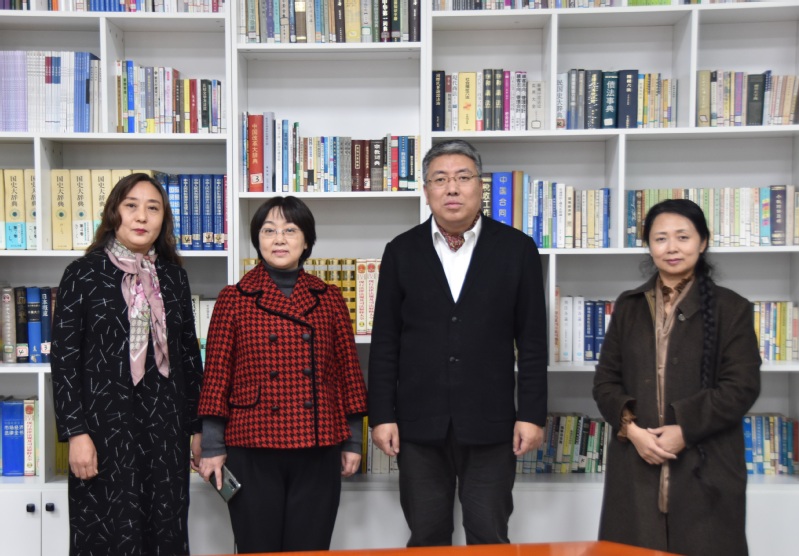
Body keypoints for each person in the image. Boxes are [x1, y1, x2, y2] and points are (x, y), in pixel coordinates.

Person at [367, 139, 548, 546]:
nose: (452, 188)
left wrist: (532, 415)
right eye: (440, 179)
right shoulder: (401, 251)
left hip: (492, 421)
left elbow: (533, 342)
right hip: (418, 423)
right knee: (426, 534)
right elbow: (385, 343)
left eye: (463, 177)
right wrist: (382, 415)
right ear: (426, 190)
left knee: (488, 533)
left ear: (480, 186)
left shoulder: (517, 249)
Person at [197, 196, 368, 554]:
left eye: (290, 230)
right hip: (251, 444)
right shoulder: (233, 298)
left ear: (306, 241)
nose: (279, 239)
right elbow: (216, 377)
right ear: (256, 240)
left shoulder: (329, 298)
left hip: (319, 444)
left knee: (310, 546)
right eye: (268, 230)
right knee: (256, 546)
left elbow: (348, 374)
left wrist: (353, 441)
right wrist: (212, 446)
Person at [592, 198, 761, 556]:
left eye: (683, 237)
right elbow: (605, 381)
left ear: (703, 242)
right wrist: (632, 431)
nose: (671, 247)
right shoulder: (629, 306)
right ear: (648, 246)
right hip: (636, 462)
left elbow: (742, 387)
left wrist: (685, 430)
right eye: (660, 238)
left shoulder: (732, 308)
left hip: (706, 463)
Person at [51, 173, 204, 556]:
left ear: (163, 220)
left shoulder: (174, 278)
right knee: (106, 535)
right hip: (102, 432)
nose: (142, 216)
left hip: (165, 431)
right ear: (114, 213)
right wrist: (76, 434)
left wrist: (198, 428)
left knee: (164, 533)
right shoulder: (82, 274)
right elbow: (64, 361)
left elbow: (188, 356)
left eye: (153, 208)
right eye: (131, 206)